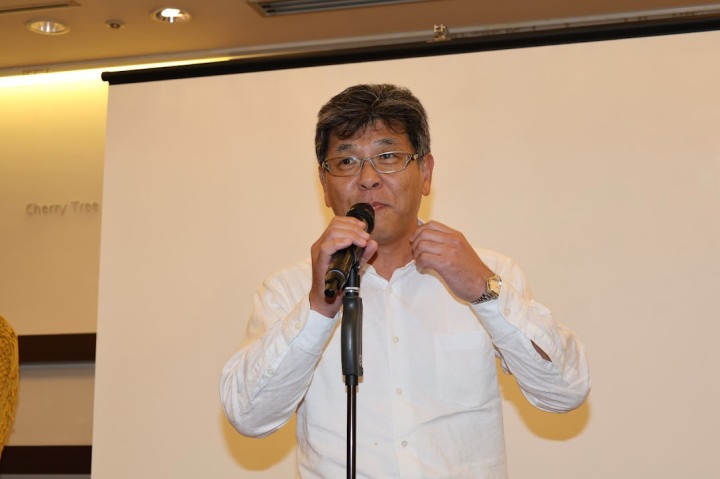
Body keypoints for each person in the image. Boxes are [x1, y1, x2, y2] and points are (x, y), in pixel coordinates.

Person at [221, 83, 590, 478]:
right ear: (325, 185)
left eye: (388, 156)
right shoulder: (290, 290)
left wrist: (485, 292)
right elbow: (250, 417)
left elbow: (565, 391)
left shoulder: (486, 272)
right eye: (346, 161)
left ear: (425, 173)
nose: (368, 179)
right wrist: (318, 308)